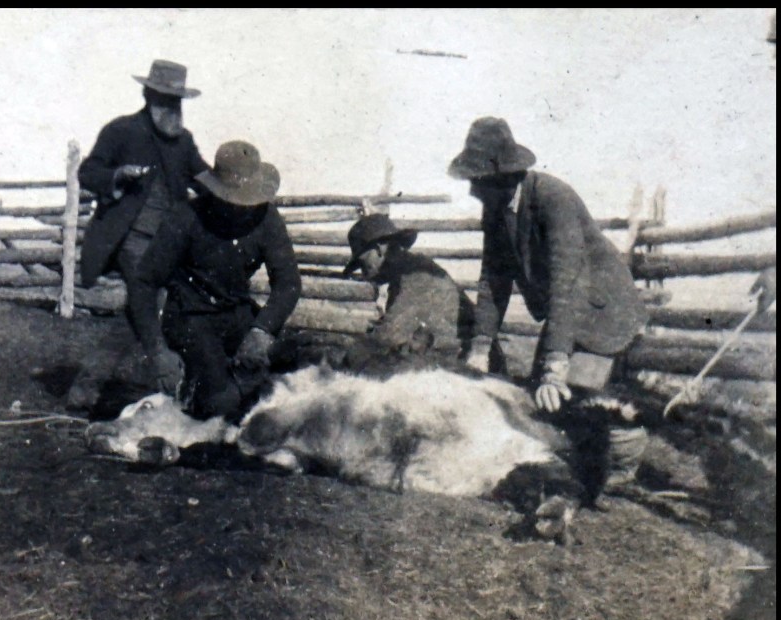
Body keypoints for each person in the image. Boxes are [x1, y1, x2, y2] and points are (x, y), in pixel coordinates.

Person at [449, 116, 649, 501]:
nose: (473, 190)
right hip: (568, 312)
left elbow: (566, 284)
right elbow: (493, 280)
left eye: (477, 180)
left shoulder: (553, 198)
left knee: (574, 395)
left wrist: (556, 365)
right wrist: (479, 347)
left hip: (602, 310)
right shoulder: (496, 210)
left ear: (504, 175)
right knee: (540, 404)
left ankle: (621, 466)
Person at [69, 59, 209, 409]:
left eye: (176, 101)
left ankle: (86, 386)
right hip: (128, 236)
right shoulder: (122, 131)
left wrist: (231, 189)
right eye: (164, 100)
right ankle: (167, 379)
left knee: (138, 311)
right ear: (148, 96)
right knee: (147, 301)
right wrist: (118, 175)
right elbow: (88, 172)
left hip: (167, 241)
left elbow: (202, 177)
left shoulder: (184, 141)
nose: (171, 109)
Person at [131, 140, 302, 420]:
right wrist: (158, 351)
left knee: (289, 378)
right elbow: (144, 282)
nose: (242, 208)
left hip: (237, 314)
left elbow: (288, 282)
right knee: (219, 405)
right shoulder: (186, 217)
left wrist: (262, 332)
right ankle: (199, 391)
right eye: (234, 200)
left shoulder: (267, 218)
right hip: (190, 317)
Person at [340, 213, 504, 374]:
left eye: (362, 264)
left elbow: (388, 337)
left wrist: (350, 354)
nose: (364, 273)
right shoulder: (405, 274)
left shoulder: (417, 276)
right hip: (452, 362)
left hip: (474, 368)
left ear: (378, 250)